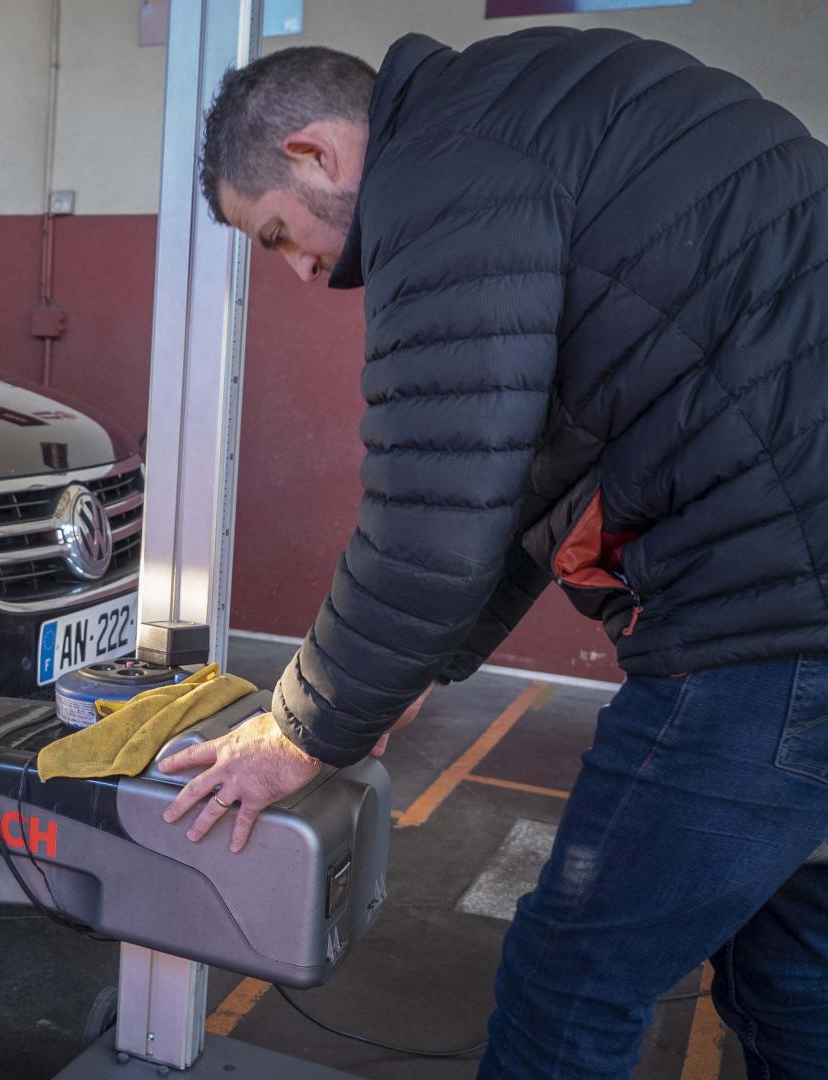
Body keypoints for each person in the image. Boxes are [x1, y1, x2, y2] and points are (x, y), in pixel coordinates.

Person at [154, 27, 828, 1079]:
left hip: (772, 624)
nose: (298, 275)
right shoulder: (529, 116)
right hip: (797, 588)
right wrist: (414, 670)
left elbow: (431, 516)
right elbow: (521, 484)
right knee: (789, 968)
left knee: (569, 981)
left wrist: (299, 726)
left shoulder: (444, 171)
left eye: (277, 235)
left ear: (316, 155)